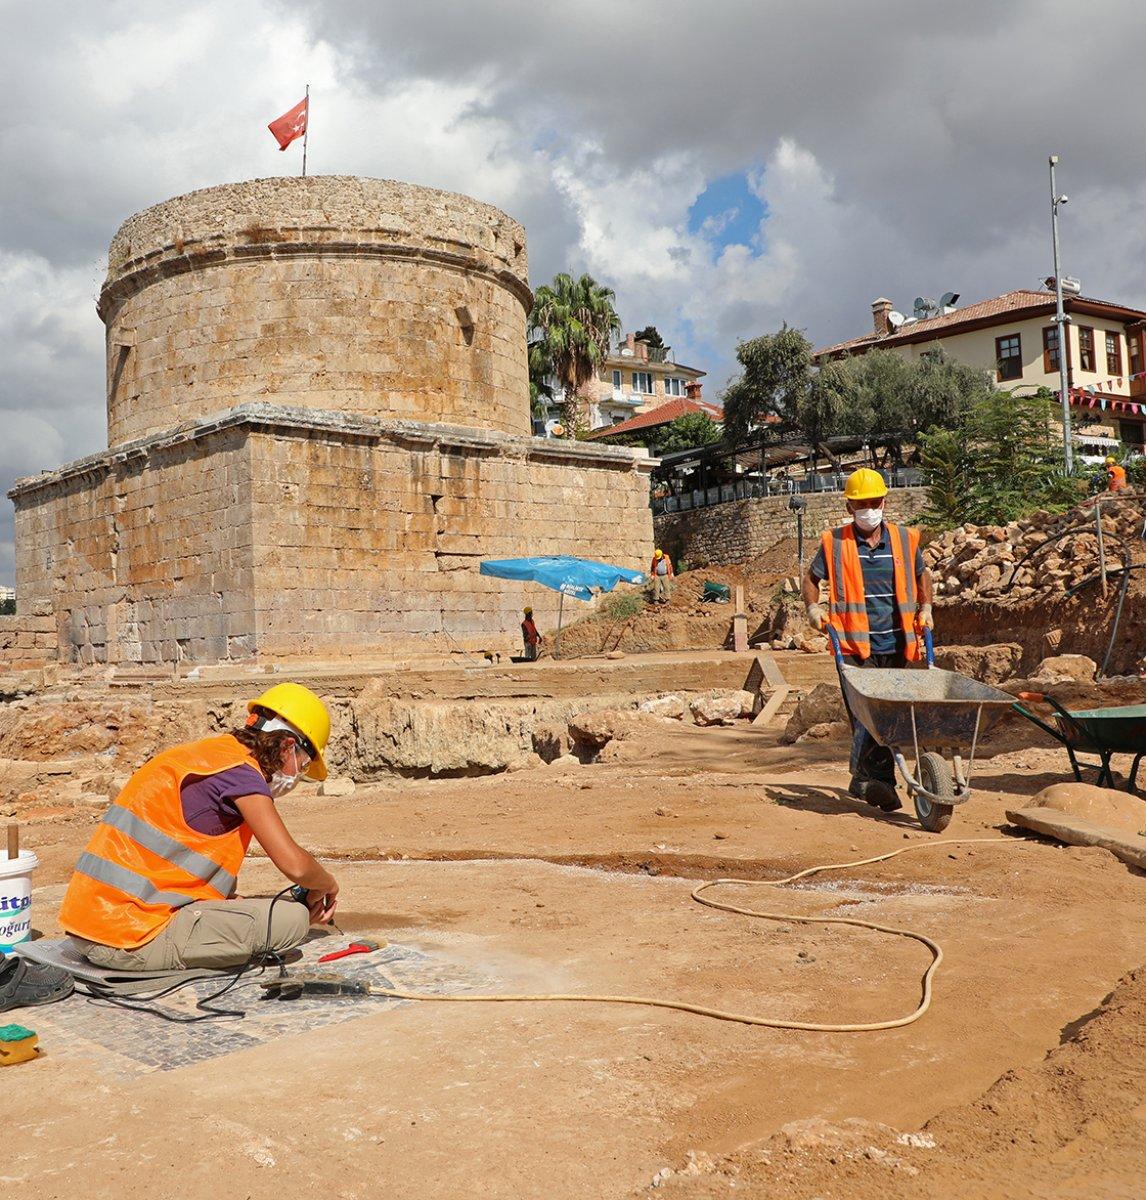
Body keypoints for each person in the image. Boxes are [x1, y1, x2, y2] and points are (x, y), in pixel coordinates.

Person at [58, 683, 339, 972]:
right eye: (302, 765)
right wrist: (327, 884)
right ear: (287, 746)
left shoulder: (213, 755)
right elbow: (295, 865)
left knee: (245, 907)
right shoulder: (243, 776)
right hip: (130, 938)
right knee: (291, 919)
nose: (297, 775)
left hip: (91, 925)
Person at [801, 468, 934, 812]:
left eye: (874, 502)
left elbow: (922, 576)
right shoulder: (835, 543)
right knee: (871, 716)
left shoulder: (905, 540)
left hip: (898, 643)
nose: (869, 509)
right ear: (849, 507)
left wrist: (927, 607)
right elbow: (811, 578)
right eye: (862, 504)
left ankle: (863, 777)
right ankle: (881, 782)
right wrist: (814, 608)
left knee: (886, 713)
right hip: (853, 645)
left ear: (884, 502)